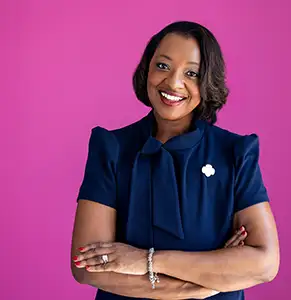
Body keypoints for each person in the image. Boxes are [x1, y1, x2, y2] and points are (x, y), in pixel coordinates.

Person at [71, 21, 279, 300]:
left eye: (191, 73)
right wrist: (206, 283)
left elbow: (265, 263)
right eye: (163, 66)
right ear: (147, 68)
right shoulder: (111, 148)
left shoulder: (235, 152)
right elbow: (88, 269)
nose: (173, 83)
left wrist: (145, 260)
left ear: (206, 82)